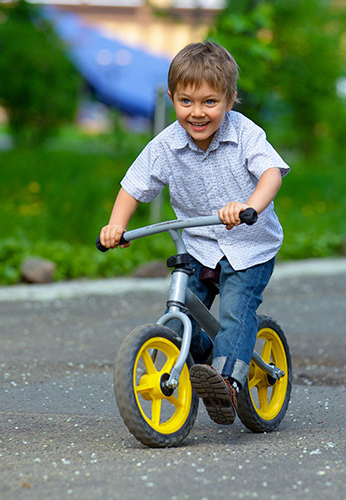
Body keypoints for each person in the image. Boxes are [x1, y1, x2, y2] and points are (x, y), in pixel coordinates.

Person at [98, 41, 289, 425]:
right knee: (183, 309)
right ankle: (197, 360)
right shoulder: (166, 145)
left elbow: (271, 174)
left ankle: (228, 384)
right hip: (199, 245)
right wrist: (117, 224)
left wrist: (249, 206)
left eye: (209, 102)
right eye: (185, 101)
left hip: (249, 246)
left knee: (235, 312)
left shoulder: (246, 134)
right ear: (171, 98)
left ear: (230, 100)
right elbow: (133, 186)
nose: (197, 113)